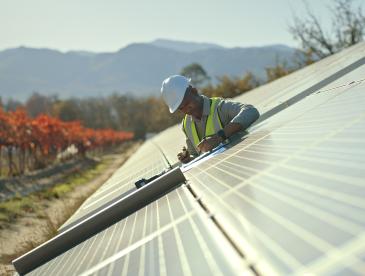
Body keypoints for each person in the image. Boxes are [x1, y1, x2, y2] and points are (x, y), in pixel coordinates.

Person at [161, 75, 259, 163]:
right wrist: (188, 159)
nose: (187, 109)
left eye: (187, 103)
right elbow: (195, 155)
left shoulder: (219, 108)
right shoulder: (186, 125)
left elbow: (251, 111)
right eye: (181, 108)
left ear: (194, 92)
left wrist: (218, 137)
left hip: (239, 163)